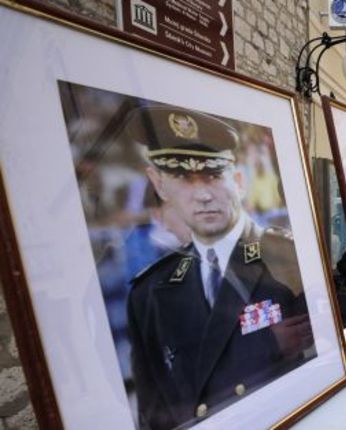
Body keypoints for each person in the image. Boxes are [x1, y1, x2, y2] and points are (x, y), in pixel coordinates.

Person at [124, 106, 315, 429]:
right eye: (183, 178)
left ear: (238, 182)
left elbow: (319, 367)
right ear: (159, 185)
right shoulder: (149, 293)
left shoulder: (290, 257)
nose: (202, 195)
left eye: (213, 176)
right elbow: (154, 412)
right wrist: (265, 345)